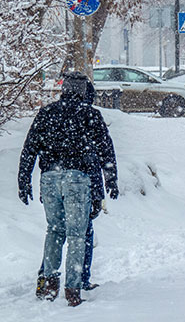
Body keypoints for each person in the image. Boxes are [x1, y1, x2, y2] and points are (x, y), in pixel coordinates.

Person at [18, 71, 118, 307]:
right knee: (77, 235)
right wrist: (111, 180)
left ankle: (48, 283)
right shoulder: (90, 114)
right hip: (77, 179)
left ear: (64, 89)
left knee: (54, 231)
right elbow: (106, 150)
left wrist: (23, 180)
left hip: (50, 178)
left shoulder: (47, 113)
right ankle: (72, 289)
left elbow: (29, 148)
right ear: (84, 91)